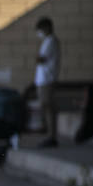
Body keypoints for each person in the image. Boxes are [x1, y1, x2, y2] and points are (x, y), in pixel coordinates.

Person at [35, 17, 61, 148]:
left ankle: (52, 136)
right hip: (43, 80)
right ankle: (50, 135)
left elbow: (41, 59)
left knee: (48, 107)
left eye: (40, 29)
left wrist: (37, 58)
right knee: (46, 108)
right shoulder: (47, 41)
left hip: (47, 80)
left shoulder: (51, 41)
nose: (39, 32)